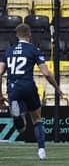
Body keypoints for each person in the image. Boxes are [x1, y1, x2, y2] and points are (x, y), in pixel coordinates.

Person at [0, 23, 63, 160]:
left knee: (20, 128)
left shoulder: (8, 51)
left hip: (13, 88)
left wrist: (0, 95)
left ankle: (17, 115)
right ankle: (41, 151)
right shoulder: (34, 49)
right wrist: (56, 88)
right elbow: (46, 73)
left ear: (17, 36)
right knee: (36, 119)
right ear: (30, 35)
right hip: (28, 86)